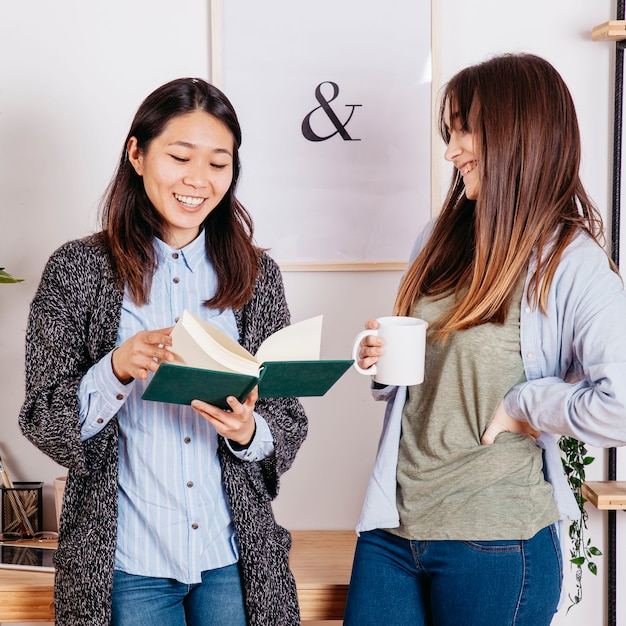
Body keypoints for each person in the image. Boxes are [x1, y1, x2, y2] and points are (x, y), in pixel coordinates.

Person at [344, 53, 626, 626]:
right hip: (393, 531)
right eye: (449, 133)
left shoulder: (570, 262)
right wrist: (380, 360)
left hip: (498, 541)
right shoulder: (438, 237)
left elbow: (622, 402)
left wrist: (526, 403)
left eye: (464, 130)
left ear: (519, 132)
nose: (451, 151)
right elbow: (429, 379)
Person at [19, 78, 308, 626]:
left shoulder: (256, 274)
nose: (198, 180)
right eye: (180, 157)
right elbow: (42, 416)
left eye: (218, 163)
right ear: (137, 153)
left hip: (233, 556)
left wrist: (248, 429)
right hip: (127, 563)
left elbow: (287, 419)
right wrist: (113, 370)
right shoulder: (77, 270)